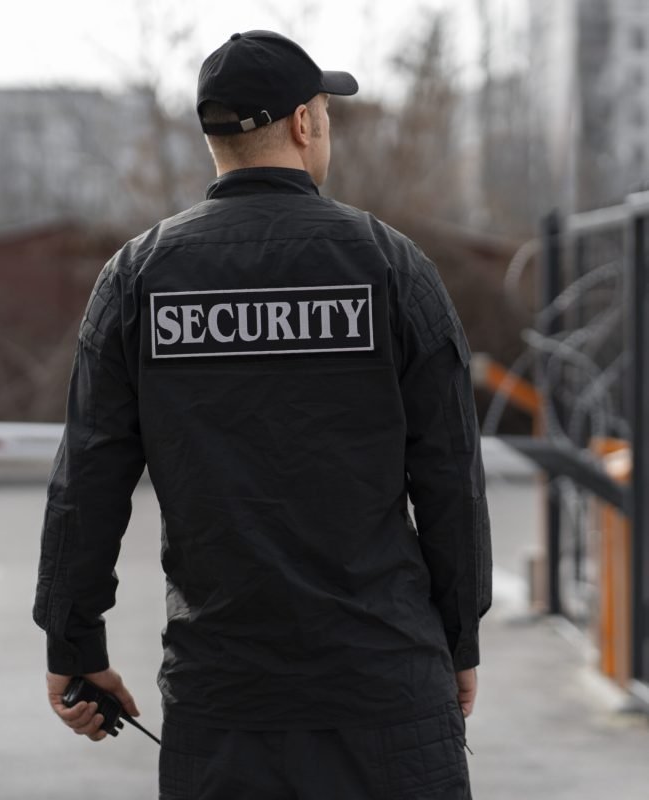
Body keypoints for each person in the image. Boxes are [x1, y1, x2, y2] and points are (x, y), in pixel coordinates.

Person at [34, 29, 492, 800]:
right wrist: (458, 638)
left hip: (224, 703)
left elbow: (88, 481)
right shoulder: (390, 264)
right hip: (384, 687)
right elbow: (450, 473)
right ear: (306, 124)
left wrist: (73, 644)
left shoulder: (138, 278)